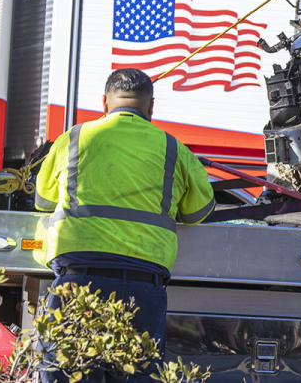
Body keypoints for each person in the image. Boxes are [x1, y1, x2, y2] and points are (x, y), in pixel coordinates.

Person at [34, 68, 215, 382]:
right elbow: (199, 211)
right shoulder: (173, 148)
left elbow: (43, 202)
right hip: (141, 285)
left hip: (77, 279)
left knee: (67, 372)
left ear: (104, 102)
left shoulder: (74, 138)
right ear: (151, 107)